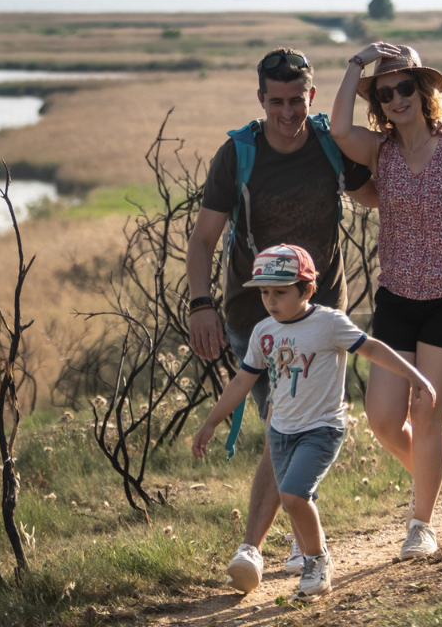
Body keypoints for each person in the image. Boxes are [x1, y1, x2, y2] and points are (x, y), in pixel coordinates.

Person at [186, 46, 379, 593]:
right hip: (257, 313)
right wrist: (201, 305)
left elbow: (378, 196)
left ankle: (295, 540)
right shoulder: (238, 154)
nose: (289, 113)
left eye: (298, 101)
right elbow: (203, 238)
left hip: (322, 311)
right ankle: (257, 546)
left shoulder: (328, 144)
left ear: (311, 96)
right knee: (283, 423)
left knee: (303, 423)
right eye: (278, 103)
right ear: (261, 100)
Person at [329, 43, 442, 560]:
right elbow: (338, 131)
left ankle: (421, 523)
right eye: (384, 92)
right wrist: (355, 64)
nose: (395, 98)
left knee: (426, 409)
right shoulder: (379, 151)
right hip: (398, 299)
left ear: (424, 90)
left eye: (404, 87)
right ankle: (431, 479)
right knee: (384, 419)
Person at [192, 244, 435, 599]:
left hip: (321, 429)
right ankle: (311, 557)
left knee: (292, 495)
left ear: (306, 290)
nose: (271, 301)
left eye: (280, 292)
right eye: (264, 293)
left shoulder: (328, 323)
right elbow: (242, 381)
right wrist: (211, 423)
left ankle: (317, 562)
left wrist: (414, 375)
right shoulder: (263, 332)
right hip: (281, 431)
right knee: (296, 499)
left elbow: (372, 349)